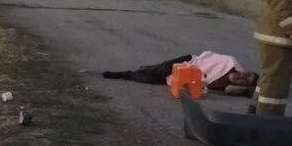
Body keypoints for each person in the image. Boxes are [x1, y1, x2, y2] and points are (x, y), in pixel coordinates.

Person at [103, 50, 258, 95]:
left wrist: (247, 88)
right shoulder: (231, 62)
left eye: (245, 80)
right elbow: (207, 57)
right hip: (188, 62)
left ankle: (129, 74)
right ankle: (124, 73)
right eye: (248, 74)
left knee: (148, 79)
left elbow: (233, 90)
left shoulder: (225, 85)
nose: (243, 77)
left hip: (183, 77)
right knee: (156, 70)